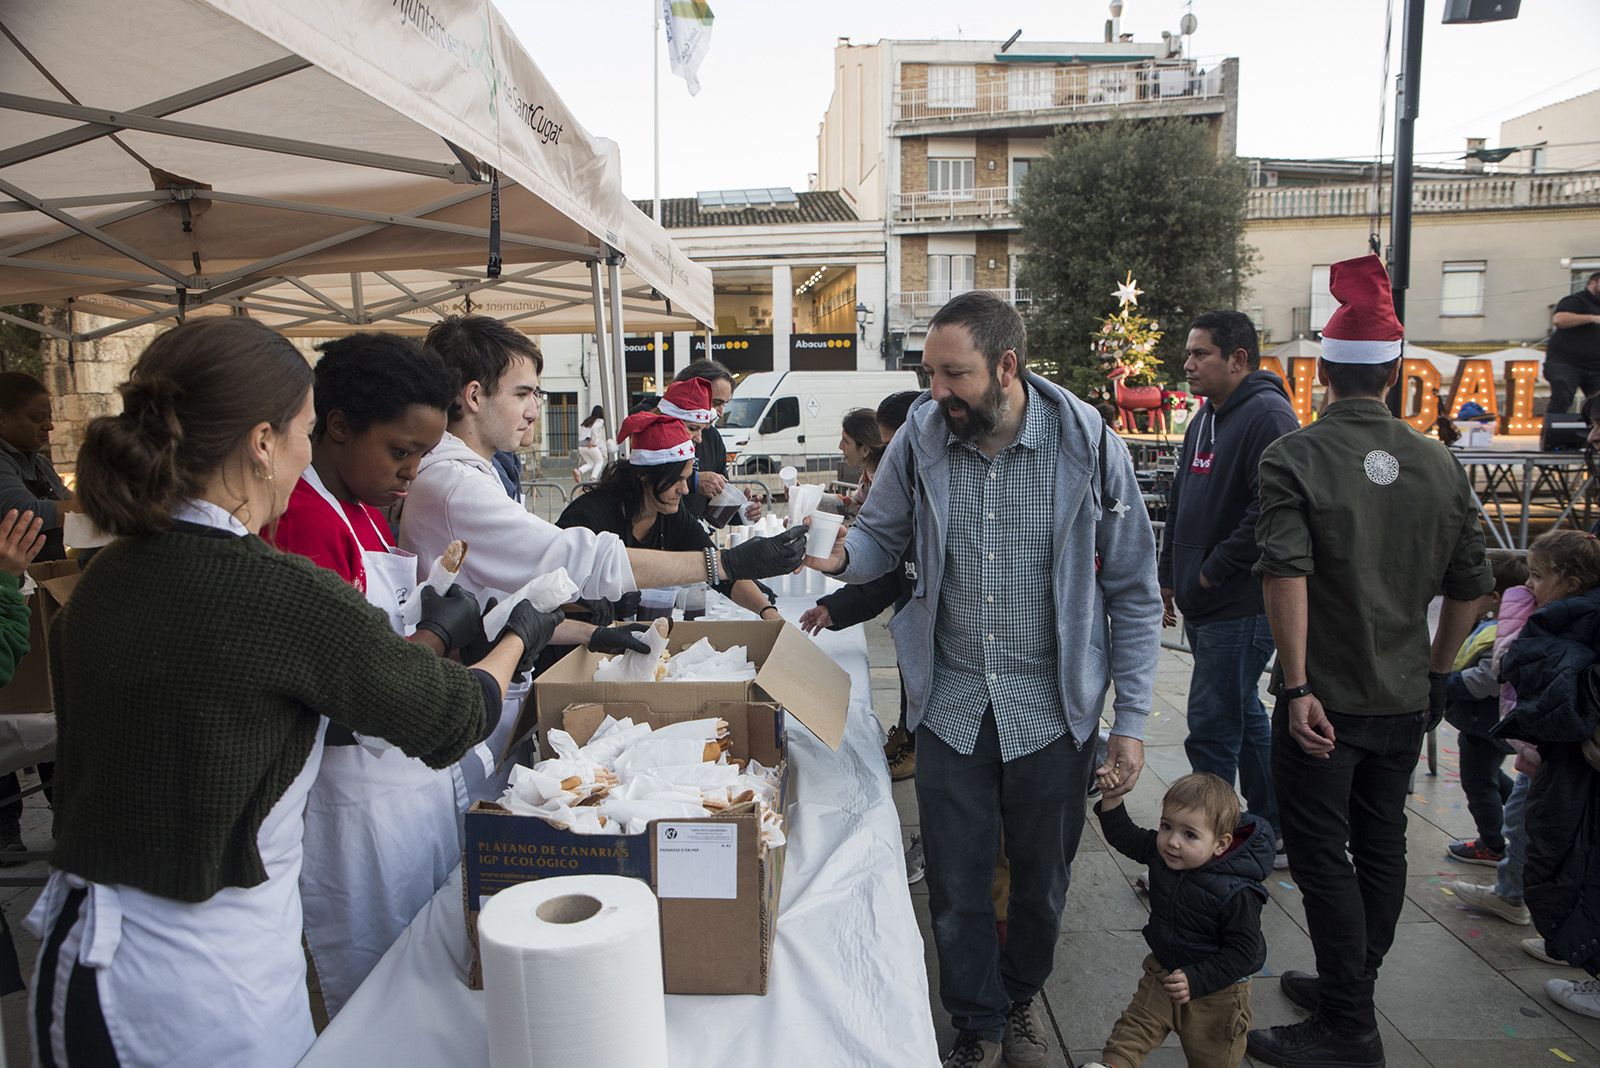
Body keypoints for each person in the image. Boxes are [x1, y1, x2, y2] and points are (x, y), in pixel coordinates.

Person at [26, 317, 545, 1067]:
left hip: (81, 959)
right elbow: (451, 713)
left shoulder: (105, 579)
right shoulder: (271, 592)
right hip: (191, 987)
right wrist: (519, 635)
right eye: (304, 432)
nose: (308, 454)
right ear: (263, 443)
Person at [805, 291, 1162, 1068]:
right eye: (929, 373)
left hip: (1053, 709)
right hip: (952, 703)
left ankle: (1021, 996)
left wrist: (1130, 720)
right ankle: (978, 1021)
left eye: (954, 374)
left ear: (1006, 367)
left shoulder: (1088, 444)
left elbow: (1134, 590)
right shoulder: (921, 441)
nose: (936, 393)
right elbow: (879, 539)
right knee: (960, 885)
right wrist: (841, 561)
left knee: (1041, 882)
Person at [1247, 255, 1493, 1068]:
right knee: (1380, 845)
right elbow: (1473, 586)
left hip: (1327, 700)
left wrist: (1299, 682)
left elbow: (1287, 571)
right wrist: (1433, 671)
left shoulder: (1296, 456)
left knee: (1323, 856)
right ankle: (1350, 986)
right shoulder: (1439, 462)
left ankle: (1350, 1023)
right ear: (1393, 372)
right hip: (1402, 695)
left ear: (1322, 372)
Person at [269, 332, 560, 1018]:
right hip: (359, 801)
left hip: (412, 778)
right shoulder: (310, 522)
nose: (412, 472)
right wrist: (440, 632)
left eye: (423, 456)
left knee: (436, 967)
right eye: (401, 452)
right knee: (384, 989)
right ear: (336, 428)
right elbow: (351, 692)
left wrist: (437, 613)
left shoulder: (366, 512)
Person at [396, 316, 806, 779]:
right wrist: (722, 562)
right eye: (524, 393)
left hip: (485, 705)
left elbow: (509, 604)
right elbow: (578, 563)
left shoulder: (476, 475)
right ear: (473, 396)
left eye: (537, 394)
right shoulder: (455, 484)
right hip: (461, 712)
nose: (535, 409)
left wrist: (590, 635)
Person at [1158, 310, 1299, 870]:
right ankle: (1271, 824)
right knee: (1240, 712)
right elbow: (1184, 501)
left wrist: (1215, 569)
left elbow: (1273, 508)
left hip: (1241, 602)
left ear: (1239, 359)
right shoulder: (1206, 417)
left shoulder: (1268, 415)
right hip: (1207, 597)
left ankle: (1211, 845)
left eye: (1200, 354)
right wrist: (1170, 572)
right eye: (1188, 353)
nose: (1187, 364)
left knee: (1213, 723)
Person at [1084, 772, 1271, 1068]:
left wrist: (1197, 979)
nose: (1172, 842)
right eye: (1166, 826)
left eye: (1190, 835)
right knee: (1130, 1033)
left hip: (1217, 995)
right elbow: (1125, 836)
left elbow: (1244, 952)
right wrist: (1113, 798)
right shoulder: (1162, 855)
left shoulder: (1237, 893)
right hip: (1163, 975)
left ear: (1220, 844)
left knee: (1214, 1059)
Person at [1492, 530, 1600, 1017]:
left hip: (1578, 763)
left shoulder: (1578, 618)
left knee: (1567, 854)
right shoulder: (1572, 614)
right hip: (1569, 759)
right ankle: (1577, 944)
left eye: (1539, 576)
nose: (1530, 584)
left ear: (1571, 580)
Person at [557, 412, 781, 622]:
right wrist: (601, 602)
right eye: (677, 480)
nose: (685, 490)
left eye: (687, 479)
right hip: (572, 650)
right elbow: (550, 587)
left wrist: (766, 611)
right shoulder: (589, 515)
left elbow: (715, 567)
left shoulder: (669, 513)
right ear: (644, 476)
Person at [0, 372, 70, 857]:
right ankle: (7, 830)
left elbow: (63, 503)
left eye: (48, 416)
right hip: (13, 593)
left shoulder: (36, 460)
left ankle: (64, 819)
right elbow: (25, 510)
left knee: (53, 708)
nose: (48, 427)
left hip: (38, 588)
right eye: (36, 417)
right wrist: (77, 508)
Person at [1439, 551, 1528, 870]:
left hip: (1485, 725)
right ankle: (1522, 814)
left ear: (1494, 596)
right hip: (1488, 725)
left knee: (1478, 784)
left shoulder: (1505, 634)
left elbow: (1484, 681)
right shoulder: (1500, 623)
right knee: (1489, 776)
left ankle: (1492, 845)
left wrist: (1443, 683)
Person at [1545, 272, 1600, 414]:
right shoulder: (1576, 301)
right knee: (1562, 396)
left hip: (1596, 365)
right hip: (1565, 362)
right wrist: (1593, 318)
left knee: (1598, 404)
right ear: (1594, 283)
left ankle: (1594, 433)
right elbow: (1559, 320)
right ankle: (1552, 434)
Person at [574, 405, 606, 484]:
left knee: (590, 463)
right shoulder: (599, 421)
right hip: (590, 444)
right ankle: (593, 478)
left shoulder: (587, 421)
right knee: (600, 461)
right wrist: (593, 442)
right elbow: (595, 429)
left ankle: (579, 471)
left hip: (581, 445)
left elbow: (581, 431)